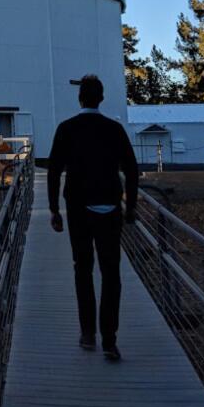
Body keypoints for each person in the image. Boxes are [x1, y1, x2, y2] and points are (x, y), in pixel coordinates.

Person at [47, 73, 139, 361]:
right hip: (110, 209)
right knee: (111, 274)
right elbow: (132, 169)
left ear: (79, 97)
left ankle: (88, 334)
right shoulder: (114, 130)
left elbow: (52, 171)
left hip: (77, 209)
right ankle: (110, 340)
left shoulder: (67, 129)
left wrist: (53, 209)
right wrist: (131, 207)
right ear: (101, 98)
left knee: (82, 268)